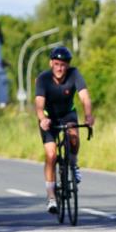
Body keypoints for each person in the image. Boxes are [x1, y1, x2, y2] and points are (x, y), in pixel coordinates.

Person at [34, 46, 94, 214]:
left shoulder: (74, 74)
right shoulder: (43, 79)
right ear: (51, 63)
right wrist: (42, 119)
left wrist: (88, 115)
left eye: (63, 64)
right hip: (48, 118)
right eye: (57, 64)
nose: (60, 68)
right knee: (51, 154)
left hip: (68, 114)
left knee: (74, 136)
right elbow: (39, 104)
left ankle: (73, 164)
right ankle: (51, 196)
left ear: (68, 65)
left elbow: (84, 97)